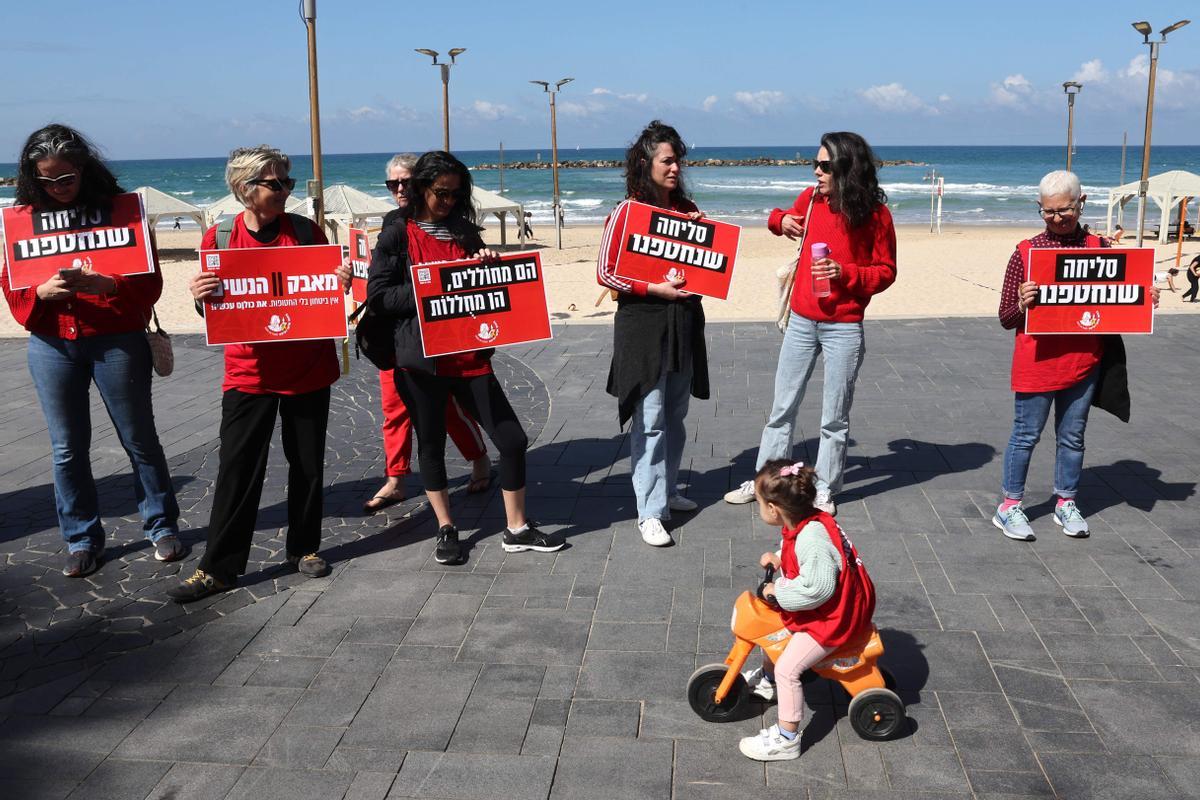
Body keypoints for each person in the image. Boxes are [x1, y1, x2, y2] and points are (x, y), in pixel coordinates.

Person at [167, 145, 351, 601]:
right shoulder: (221, 236)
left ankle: (304, 547)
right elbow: (213, 309)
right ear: (244, 189)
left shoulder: (307, 232)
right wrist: (199, 294)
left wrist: (342, 281)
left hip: (307, 368)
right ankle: (219, 568)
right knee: (238, 470)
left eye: (287, 182)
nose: (286, 190)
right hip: (248, 372)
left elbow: (325, 291)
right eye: (276, 183)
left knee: (307, 465)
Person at [1, 124, 184, 577]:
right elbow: (14, 288)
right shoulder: (23, 219)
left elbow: (151, 285)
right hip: (52, 343)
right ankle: (81, 538)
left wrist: (109, 285)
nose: (58, 188)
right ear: (31, 177)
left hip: (116, 339)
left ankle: (161, 526)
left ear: (84, 170)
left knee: (139, 438)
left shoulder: (121, 214)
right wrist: (38, 294)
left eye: (66, 178)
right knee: (67, 449)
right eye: (46, 180)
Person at [367, 151, 564, 565]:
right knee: (432, 446)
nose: (450, 201)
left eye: (457, 194)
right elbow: (379, 298)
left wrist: (486, 262)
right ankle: (446, 528)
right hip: (419, 359)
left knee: (512, 440)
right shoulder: (396, 235)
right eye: (442, 193)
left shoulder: (464, 232)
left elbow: (482, 288)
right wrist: (428, 288)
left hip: (469, 356)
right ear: (422, 188)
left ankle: (516, 528)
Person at [725, 132, 896, 516]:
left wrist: (846, 273)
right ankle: (763, 484)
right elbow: (775, 218)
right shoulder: (812, 200)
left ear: (846, 169)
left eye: (824, 166)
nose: (816, 171)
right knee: (782, 408)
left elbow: (886, 272)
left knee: (834, 417)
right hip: (802, 320)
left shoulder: (875, 215)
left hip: (845, 326)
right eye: (815, 164)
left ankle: (826, 489)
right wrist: (782, 220)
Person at [992, 171, 1159, 541]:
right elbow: (1005, 317)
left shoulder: (1101, 246)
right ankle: (1009, 507)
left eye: (1064, 210)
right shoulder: (1025, 252)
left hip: (1084, 361)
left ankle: (1065, 501)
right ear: (1039, 209)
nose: (1056, 218)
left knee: (1073, 437)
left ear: (1081, 203)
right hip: (1036, 363)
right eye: (1048, 212)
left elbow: (1124, 301)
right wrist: (1022, 304)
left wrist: (1146, 300)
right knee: (1025, 436)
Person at [597, 120, 708, 547]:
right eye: (668, 159)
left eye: (679, 159)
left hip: (683, 324)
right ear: (646, 164)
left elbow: (702, 265)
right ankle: (649, 511)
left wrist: (704, 236)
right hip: (642, 327)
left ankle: (668, 490)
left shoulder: (686, 207)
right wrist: (652, 288)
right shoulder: (628, 212)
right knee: (651, 419)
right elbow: (606, 272)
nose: (676, 166)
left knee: (675, 416)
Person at [364, 152, 490, 513]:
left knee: (450, 409)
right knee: (394, 408)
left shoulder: (459, 225)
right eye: (393, 184)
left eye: (405, 181)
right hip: (398, 337)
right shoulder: (394, 225)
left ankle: (478, 458)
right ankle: (396, 479)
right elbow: (380, 286)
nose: (400, 189)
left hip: (448, 336)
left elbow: (476, 279)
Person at [738, 460, 875, 762]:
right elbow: (806, 564)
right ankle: (769, 681)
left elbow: (818, 589)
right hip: (830, 606)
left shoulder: (811, 538)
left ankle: (787, 737)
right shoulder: (804, 521)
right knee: (771, 628)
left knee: (790, 668)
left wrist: (780, 591)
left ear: (773, 509)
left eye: (759, 503)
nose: (759, 509)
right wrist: (779, 559)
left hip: (831, 618)